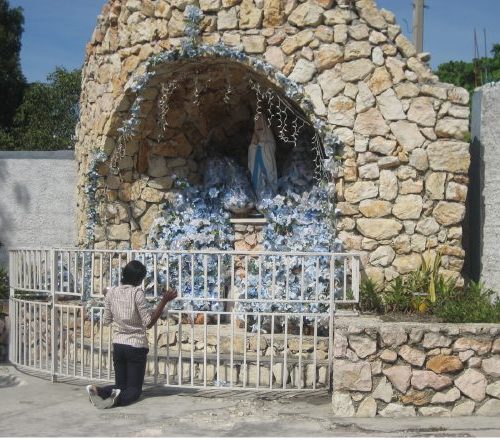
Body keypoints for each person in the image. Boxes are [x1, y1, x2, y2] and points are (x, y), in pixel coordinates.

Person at [86, 260, 177, 409]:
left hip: (119, 344)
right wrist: (164, 301)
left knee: (121, 385)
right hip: (135, 345)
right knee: (134, 390)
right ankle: (115, 400)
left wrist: (109, 300)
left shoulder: (111, 292)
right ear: (139, 279)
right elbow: (148, 322)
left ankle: (99, 391)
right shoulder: (137, 293)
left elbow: (107, 320)